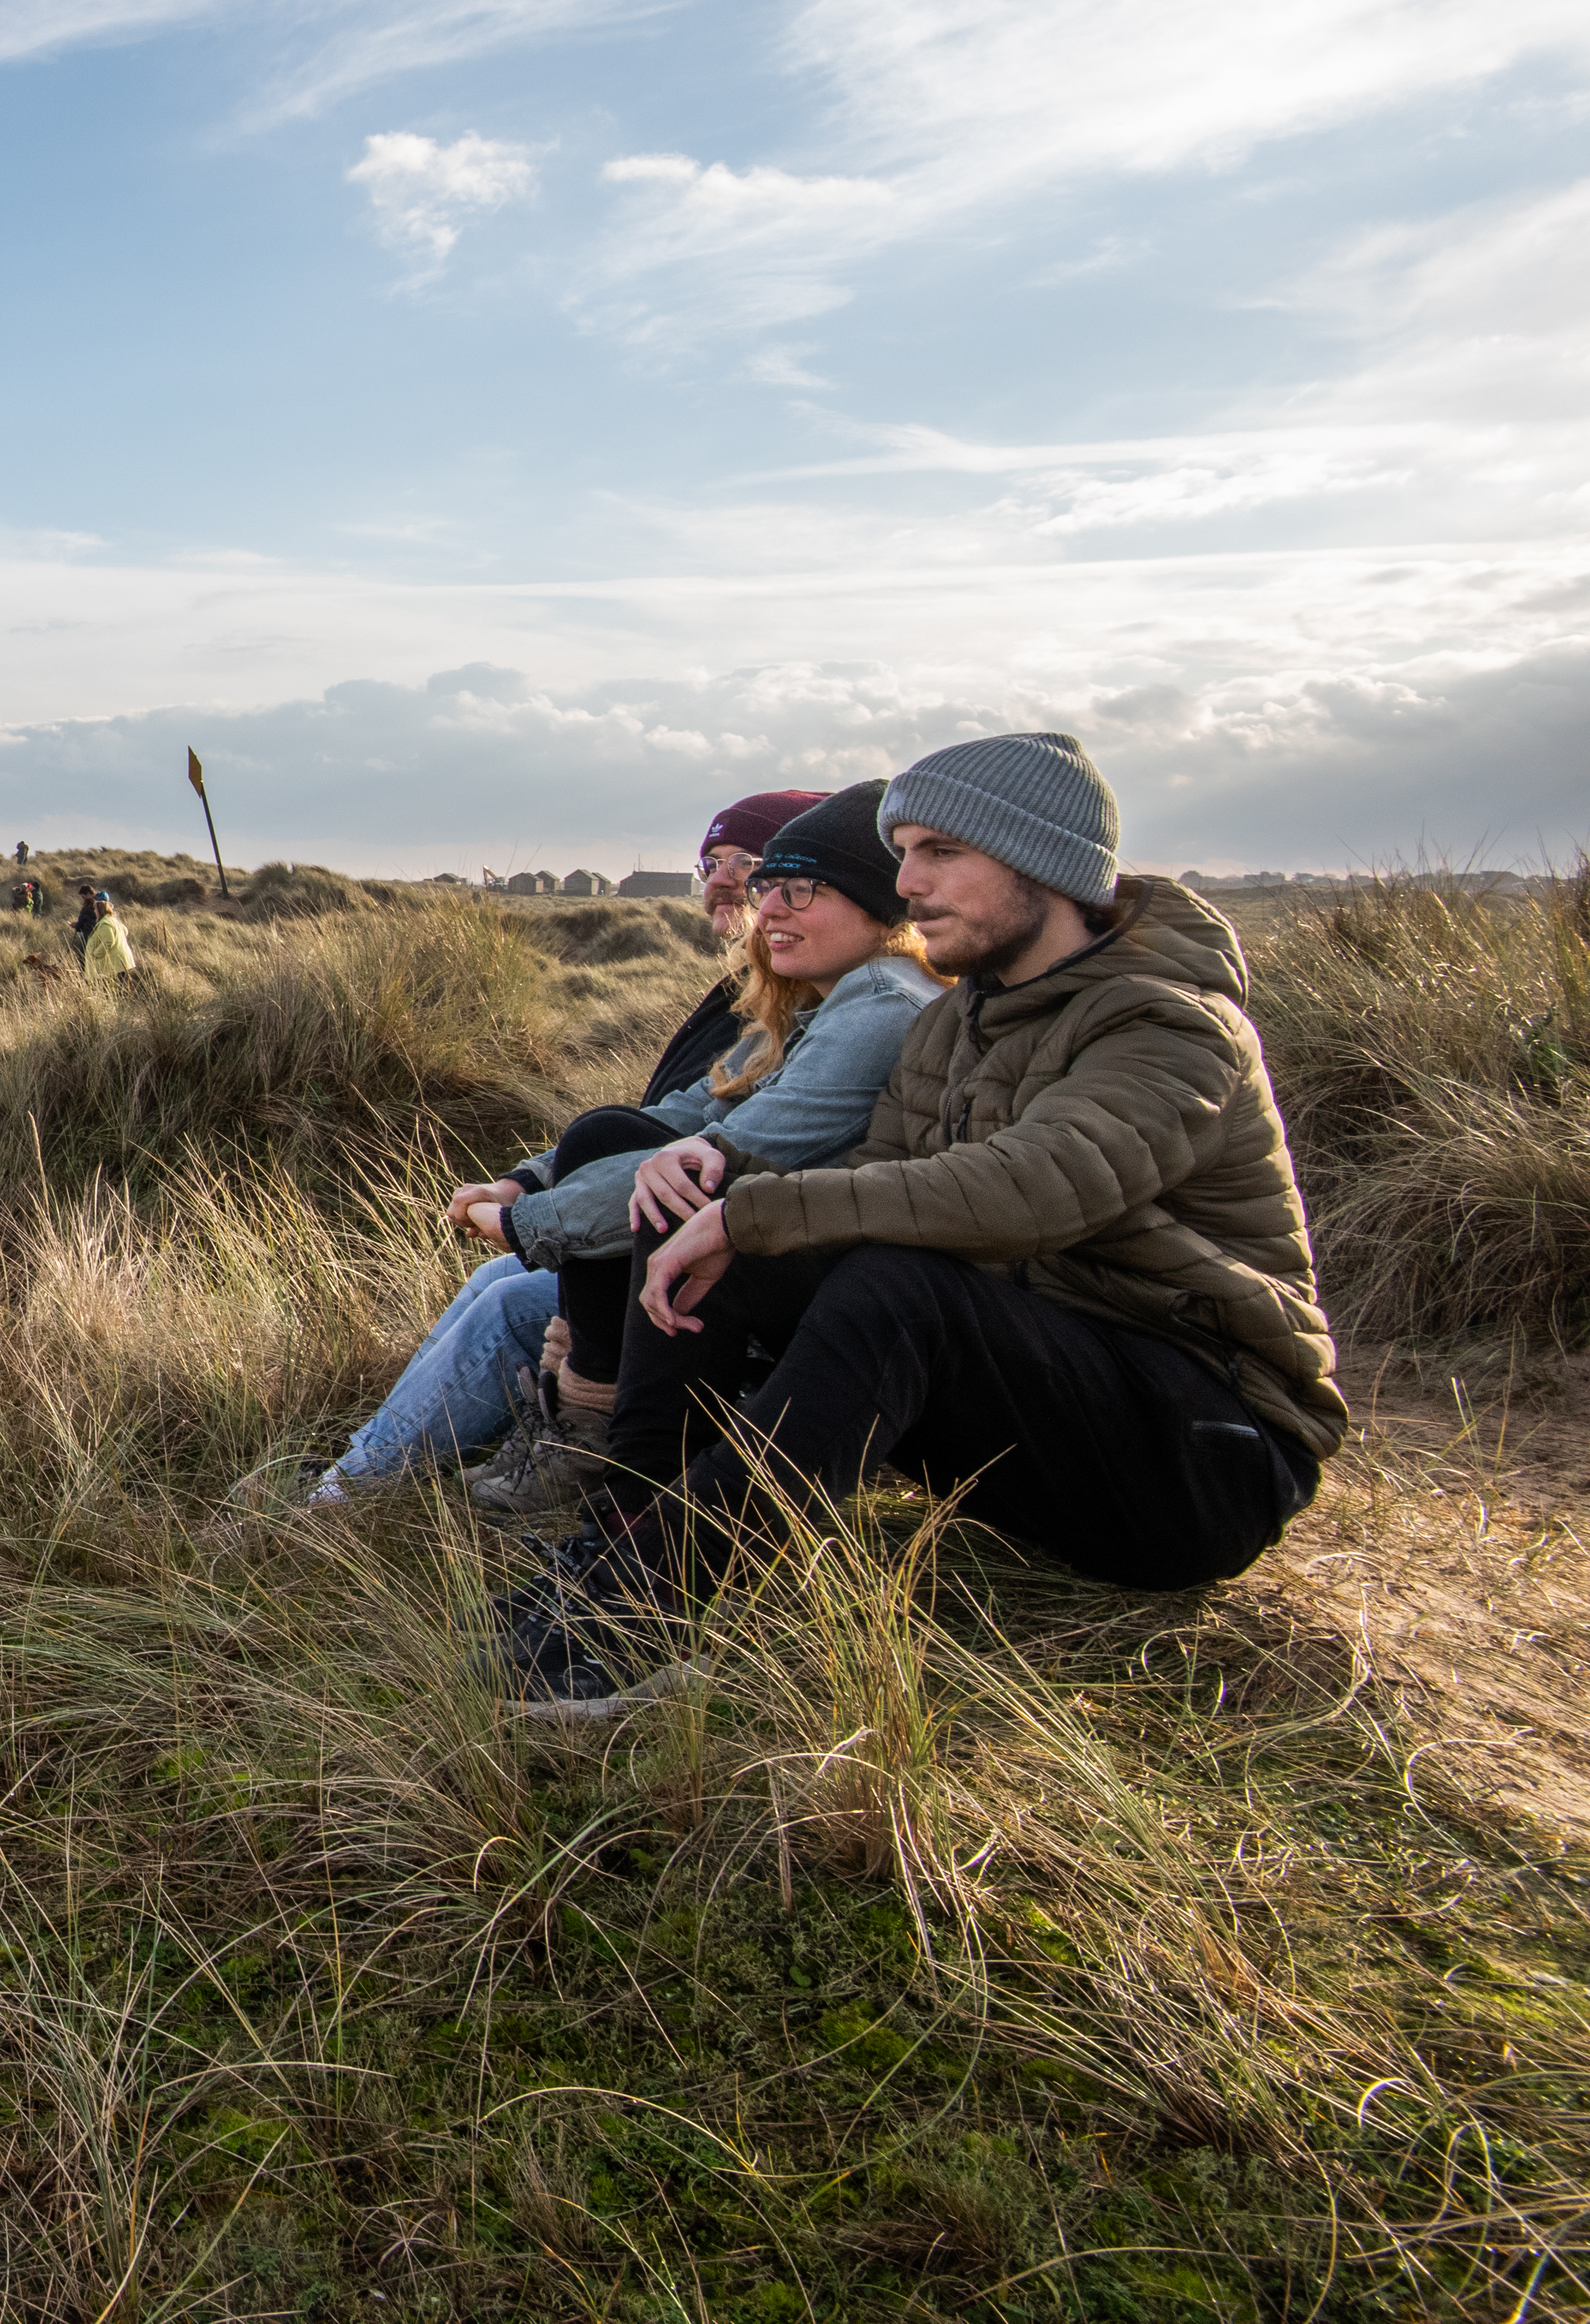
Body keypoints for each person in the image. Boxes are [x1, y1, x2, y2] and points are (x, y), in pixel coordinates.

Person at [499, 732, 1350, 1719]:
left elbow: (1037, 1187)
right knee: (696, 1210)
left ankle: (637, 1612)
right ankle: (617, 1548)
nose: (907, 882)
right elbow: (884, 1177)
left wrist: (764, 1206)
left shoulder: (1168, 1021)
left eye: (939, 850)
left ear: (1043, 861)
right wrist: (722, 1172)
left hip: (1202, 1453)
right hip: (1032, 1417)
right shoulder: (959, 1020)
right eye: (901, 852)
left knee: (895, 1289)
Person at [290, 788, 820, 1505]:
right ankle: (368, 1462)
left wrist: (529, 1221)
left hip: (723, 1278)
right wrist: (527, 1182)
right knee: (496, 1282)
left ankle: (346, 1497)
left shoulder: (816, 1007)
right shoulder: (753, 991)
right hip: (674, 1244)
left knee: (513, 1301)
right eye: (710, 862)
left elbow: (714, 1142)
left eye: (749, 863)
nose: (722, 880)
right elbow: (671, 1115)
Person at [467, 782, 945, 1520]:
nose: (772, 908)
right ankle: (586, 1438)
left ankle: (607, 1457)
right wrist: (527, 1180)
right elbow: (690, 1109)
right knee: (613, 1133)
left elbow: (738, 1148)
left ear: (877, 903)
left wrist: (531, 1225)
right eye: (767, 887)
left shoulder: (883, 1003)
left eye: (801, 888)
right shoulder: (822, 994)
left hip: (832, 1267)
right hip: (774, 1240)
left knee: (675, 1193)